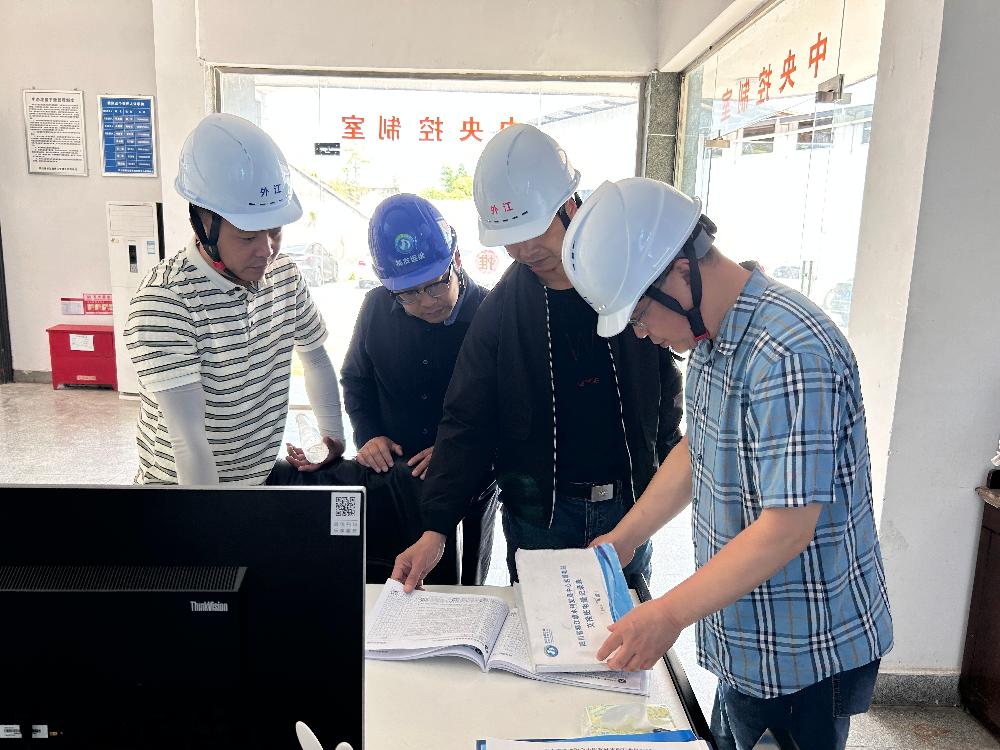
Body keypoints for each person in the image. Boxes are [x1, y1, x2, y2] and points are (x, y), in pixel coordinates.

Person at [562, 177, 893, 750]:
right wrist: (624, 538)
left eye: (639, 313)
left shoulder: (789, 354)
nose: (641, 333)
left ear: (680, 274)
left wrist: (668, 614)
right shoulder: (714, 338)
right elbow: (698, 449)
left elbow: (786, 529)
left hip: (805, 650)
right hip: (749, 634)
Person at [392, 124, 684, 590]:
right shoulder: (502, 310)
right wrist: (436, 527)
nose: (525, 250)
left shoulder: (629, 279)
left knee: (624, 626)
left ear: (571, 206)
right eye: (511, 237)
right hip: (539, 517)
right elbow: (467, 419)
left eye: (535, 230)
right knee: (538, 627)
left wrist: (666, 471)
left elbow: (666, 387)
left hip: (628, 505)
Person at [126, 113, 345, 487]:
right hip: (182, 496)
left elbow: (315, 358)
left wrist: (333, 439)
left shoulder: (285, 275)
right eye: (247, 237)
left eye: (275, 231)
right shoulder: (166, 300)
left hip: (253, 485)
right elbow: (187, 440)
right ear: (203, 225)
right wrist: (213, 519)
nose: (267, 250)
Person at [339, 193, 498, 585]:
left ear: (455, 260)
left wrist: (456, 451)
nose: (426, 302)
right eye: (408, 293)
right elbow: (356, 379)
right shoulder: (376, 307)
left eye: (435, 286)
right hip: (397, 478)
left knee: (465, 585)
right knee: (399, 578)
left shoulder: (492, 313)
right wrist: (369, 434)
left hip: (474, 479)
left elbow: (511, 406)